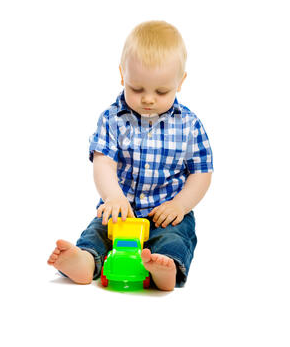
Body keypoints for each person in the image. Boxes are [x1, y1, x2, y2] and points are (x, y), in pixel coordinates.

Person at [47, 20, 213, 291]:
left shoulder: (189, 125)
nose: (148, 99)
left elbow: (201, 172)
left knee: (176, 237)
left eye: (161, 91)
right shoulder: (113, 119)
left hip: (165, 214)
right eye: (137, 89)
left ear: (180, 82)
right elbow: (103, 163)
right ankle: (85, 260)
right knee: (98, 233)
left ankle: (164, 268)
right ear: (122, 74)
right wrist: (114, 198)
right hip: (120, 213)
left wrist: (180, 206)